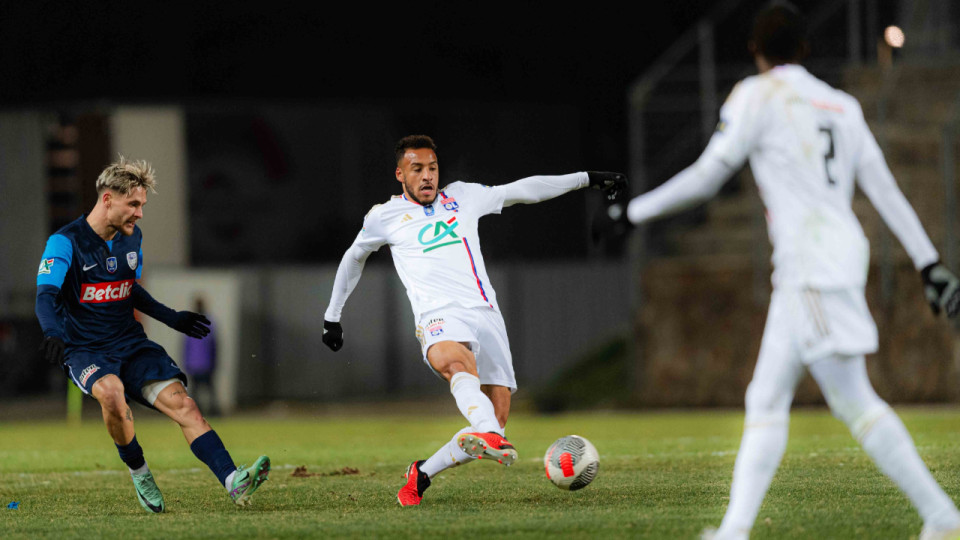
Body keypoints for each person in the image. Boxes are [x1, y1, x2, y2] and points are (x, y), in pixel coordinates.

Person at [596, 4, 960, 540]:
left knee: (854, 402)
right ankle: (734, 531)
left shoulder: (757, 95)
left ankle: (942, 516)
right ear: (805, 49)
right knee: (764, 401)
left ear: (755, 50)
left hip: (811, 266)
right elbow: (885, 190)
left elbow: (708, 175)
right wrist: (929, 263)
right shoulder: (842, 105)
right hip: (824, 263)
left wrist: (632, 214)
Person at [321, 134, 626, 506]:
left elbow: (523, 190)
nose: (427, 176)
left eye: (432, 168)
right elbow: (353, 258)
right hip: (437, 316)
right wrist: (332, 316)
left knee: (496, 419)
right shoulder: (383, 216)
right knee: (456, 365)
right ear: (400, 174)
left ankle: (422, 473)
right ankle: (487, 433)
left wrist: (587, 179)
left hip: (485, 313)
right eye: (417, 169)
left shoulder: (463, 195)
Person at [35, 157, 270, 513]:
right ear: (107, 199)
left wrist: (172, 317)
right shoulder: (64, 242)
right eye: (133, 204)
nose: (140, 213)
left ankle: (233, 480)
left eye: (142, 204)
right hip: (85, 349)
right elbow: (46, 295)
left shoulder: (133, 239)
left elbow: (130, 289)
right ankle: (139, 471)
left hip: (130, 344)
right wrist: (53, 332)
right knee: (112, 393)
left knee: (186, 406)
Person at [182, 295, 219, 416]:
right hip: (206, 363)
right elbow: (214, 345)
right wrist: (215, 362)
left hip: (194, 364)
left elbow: (186, 347)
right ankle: (213, 412)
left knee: (195, 391)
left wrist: (186, 362)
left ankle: (195, 412)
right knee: (209, 390)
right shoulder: (209, 323)